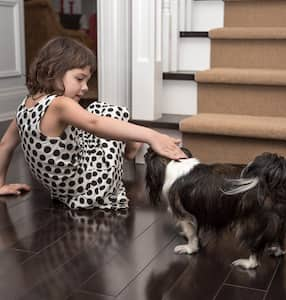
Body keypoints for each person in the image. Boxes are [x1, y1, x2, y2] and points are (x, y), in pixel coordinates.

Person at [0, 37, 186, 210]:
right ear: (52, 71)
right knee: (108, 112)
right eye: (79, 79)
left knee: (95, 110)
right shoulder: (60, 104)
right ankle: (131, 145)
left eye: (86, 80)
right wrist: (152, 136)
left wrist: (0, 185)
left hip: (61, 191)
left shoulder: (25, 105)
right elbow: (94, 123)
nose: (85, 87)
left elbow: (5, 145)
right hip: (90, 189)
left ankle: (130, 144)